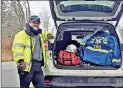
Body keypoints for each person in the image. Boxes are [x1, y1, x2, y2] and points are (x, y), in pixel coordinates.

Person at [12, 15, 54, 88]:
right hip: (26, 66)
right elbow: (17, 48)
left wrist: (48, 35)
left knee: (42, 85)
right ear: (29, 23)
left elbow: (44, 36)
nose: (36, 24)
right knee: (24, 86)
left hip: (38, 66)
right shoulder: (21, 34)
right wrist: (20, 61)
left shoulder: (39, 35)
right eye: (33, 22)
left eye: (37, 23)